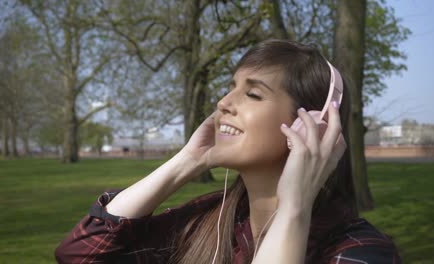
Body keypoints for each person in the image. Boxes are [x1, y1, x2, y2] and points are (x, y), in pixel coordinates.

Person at [55, 40, 401, 263]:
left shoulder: (360, 253)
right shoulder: (209, 224)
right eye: (230, 88)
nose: (223, 103)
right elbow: (80, 255)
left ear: (315, 125)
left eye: (253, 94)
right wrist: (186, 161)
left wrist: (294, 209)